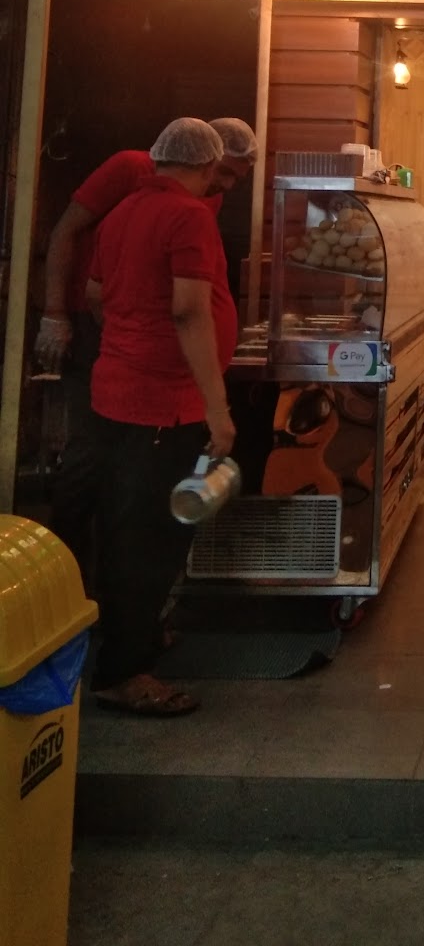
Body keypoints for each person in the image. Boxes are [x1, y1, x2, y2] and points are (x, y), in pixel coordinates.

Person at [35, 117, 257, 577]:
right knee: (91, 457)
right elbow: (66, 234)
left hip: (151, 356)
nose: (225, 184)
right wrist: (56, 314)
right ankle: (66, 571)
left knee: (134, 477)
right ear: (207, 155)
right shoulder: (130, 171)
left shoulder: (201, 199)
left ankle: (117, 581)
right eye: (224, 171)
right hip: (107, 337)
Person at [87, 118, 240, 717]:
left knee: (125, 528)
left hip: (114, 394)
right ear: (207, 166)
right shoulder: (188, 216)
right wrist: (216, 408)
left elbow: (97, 295)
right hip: (163, 404)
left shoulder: (121, 213)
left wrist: (129, 344)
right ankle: (123, 673)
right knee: (151, 539)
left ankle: (137, 639)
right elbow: (187, 312)